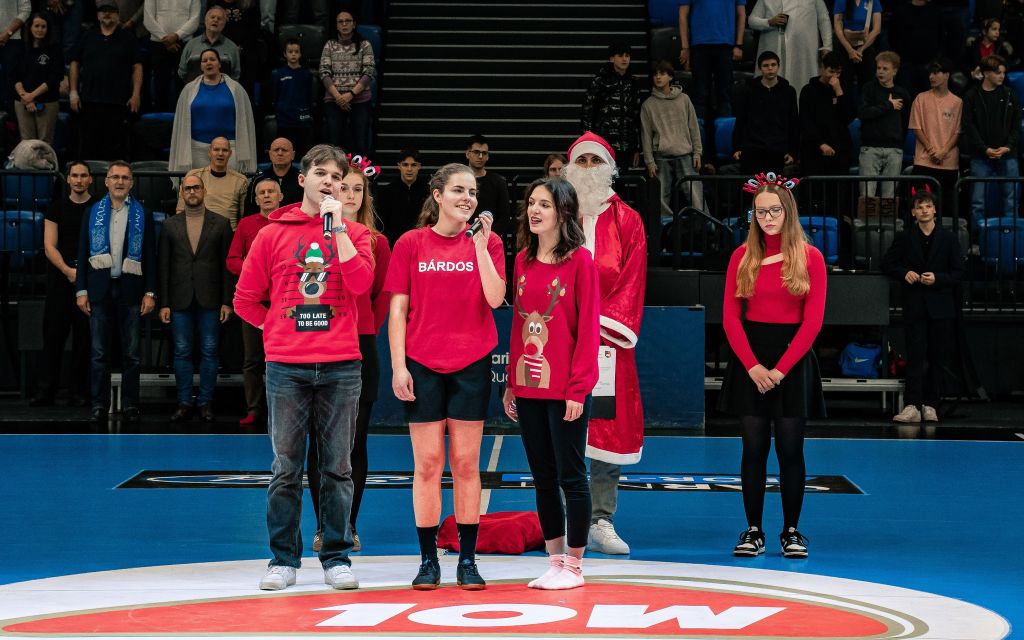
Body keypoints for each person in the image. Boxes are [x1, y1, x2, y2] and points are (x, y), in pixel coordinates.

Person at [234, 144, 374, 592]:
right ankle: (282, 559)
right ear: (302, 179)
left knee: (337, 468)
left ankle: (336, 556)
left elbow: (361, 285)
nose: (329, 182)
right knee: (286, 469)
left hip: (341, 366)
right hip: (287, 367)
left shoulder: (356, 234)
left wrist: (339, 230)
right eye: (321, 174)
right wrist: (276, 326)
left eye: (337, 177)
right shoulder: (271, 235)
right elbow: (244, 299)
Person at [384, 163, 505, 590]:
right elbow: (397, 310)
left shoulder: (489, 243)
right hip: (421, 363)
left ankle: (467, 560)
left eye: (472, 192)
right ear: (437, 195)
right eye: (458, 190)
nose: (467, 198)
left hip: (472, 362)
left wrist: (480, 247)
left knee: (467, 464)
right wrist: (399, 365)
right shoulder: (410, 243)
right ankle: (427, 560)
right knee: (428, 464)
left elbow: (496, 298)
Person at [718, 174, 826, 559]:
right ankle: (753, 531)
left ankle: (792, 531)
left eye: (774, 211)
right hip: (751, 359)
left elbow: (813, 322)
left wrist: (779, 370)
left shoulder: (811, 258)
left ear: (788, 211)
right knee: (753, 450)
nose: (767, 218)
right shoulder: (741, 257)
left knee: (791, 450)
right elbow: (731, 318)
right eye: (760, 212)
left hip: (791, 361)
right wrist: (752, 367)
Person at [502, 177, 600, 590]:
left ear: (563, 211)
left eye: (544, 204)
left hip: (566, 390)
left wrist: (579, 387)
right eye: (531, 203)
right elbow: (517, 325)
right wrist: (512, 381)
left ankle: (574, 567)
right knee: (541, 477)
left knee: (571, 477)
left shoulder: (581, 262)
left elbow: (588, 330)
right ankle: (554, 560)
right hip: (528, 388)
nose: (534, 210)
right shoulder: (523, 260)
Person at [562, 132, 647, 556]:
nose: (589, 168)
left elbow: (633, 279)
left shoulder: (628, 220)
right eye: (583, 161)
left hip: (608, 343)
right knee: (559, 427)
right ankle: (563, 517)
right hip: (559, 339)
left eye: (596, 161)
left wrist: (598, 325)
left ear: (609, 168)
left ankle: (600, 519)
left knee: (606, 429)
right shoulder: (556, 215)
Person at [307, 158, 392, 554]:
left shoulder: (377, 242)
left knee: (354, 443)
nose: (352, 195)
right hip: (317, 345)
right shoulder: (312, 237)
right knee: (319, 445)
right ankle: (323, 526)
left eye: (359, 189)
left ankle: (348, 524)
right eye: (345, 187)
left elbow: (382, 297)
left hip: (359, 347)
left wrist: (359, 325)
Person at [75, 162, 157, 424]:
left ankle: (131, 405)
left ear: (131, 183)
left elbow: (150, 256)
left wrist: (150, 292)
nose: (120, 182)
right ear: (106, 181)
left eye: (125, 178)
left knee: (131, 354)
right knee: (99, 353)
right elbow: (82, 252)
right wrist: (81, 290)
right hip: (99, 289)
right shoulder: (92, 213)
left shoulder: (143, 214)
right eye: (115, 177)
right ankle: (99, 405)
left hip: (131, 289)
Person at [882, 190, 964, 423]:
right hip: (915, 304)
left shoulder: (949, 238)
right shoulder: (904, 237)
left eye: (928, 206)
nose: (924, 210)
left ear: (935, 210)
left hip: (941, 306)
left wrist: (938, 278)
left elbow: (959, 272)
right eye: (920, 207)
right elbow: (887, 264)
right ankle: (912, 405)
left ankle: (931, 405)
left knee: (938, 357)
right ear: (913, 212)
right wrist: (904, 273)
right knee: (915, 356)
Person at [158, 175, 234, 423]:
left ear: (204, 191)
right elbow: (163, 266)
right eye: (188, 188)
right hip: (179, 299)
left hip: (211, 298)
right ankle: (183, 402)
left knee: (210, 351)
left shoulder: (221, 224)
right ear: (182, 192)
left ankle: (205, 403)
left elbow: (227, 267)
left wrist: (227, 301)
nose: (192, 192)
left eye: (196, 188)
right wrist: (164, 303)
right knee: (181, 351)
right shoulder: (169, 225)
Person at [31, 161, 94, 407]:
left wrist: (82, 273)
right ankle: (45, 390)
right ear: (68, 179)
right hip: (60, 279)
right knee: (53, 336)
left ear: (90, 179)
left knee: (84, 338)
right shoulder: (56, 208)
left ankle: (78, 392)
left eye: (83, 175)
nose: (79, 180)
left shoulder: (98, 208)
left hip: (89, 279)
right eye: (74, 175)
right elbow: (49, 246)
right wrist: (68, 271)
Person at [227, 178, 282, 426]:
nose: (267, 195)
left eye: (271, 191)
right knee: (253, 359)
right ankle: (254, 409)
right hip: (254, 303)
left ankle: (279, 410)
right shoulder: (246, 224)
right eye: (262, 192)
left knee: (281, 359)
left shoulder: (289, 222)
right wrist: (254, 271)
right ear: (256, 199)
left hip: (284, 303)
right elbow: (232, 260)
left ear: (281, 196)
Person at [68, 2, 142, 161]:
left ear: (118, 15)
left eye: (111, 11)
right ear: (97, 15)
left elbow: (137, 67)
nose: (107, 14)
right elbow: (74, 62)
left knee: (116, 151)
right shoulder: (87, 36)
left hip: (119, 103)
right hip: (89, 101)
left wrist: (136, 95)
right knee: (89, 148)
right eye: (103, 11)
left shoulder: (128, 38)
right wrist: (73, 92)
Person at [169, 49, 257, 175]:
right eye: (204, 60)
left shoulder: (236, 89)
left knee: (229, 186)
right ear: (201, 66)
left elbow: (246, 121)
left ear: (219, 63)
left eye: (212, 59)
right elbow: (180, 123)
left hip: (229, 149)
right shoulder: (188, 90)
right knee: (199, 186)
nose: (208, 63)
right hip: (197, 149)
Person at [641, 60, 704, 215]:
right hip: (661, 156)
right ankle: (666, 227)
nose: (658, 77)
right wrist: (649, 161)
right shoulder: (648, 105)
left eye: (662, 74)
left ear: (670, 77)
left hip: (685, 153)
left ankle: (704, 225)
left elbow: (694, 127)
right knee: (660, 199)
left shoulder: (684, 99)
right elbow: (646, 136)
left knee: (696, 195)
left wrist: (697, 153)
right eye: (655, 74)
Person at [963, 55, 1020, 222]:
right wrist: (984, 149)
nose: (1002, 76)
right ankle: (977, 237)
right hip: (980, 156)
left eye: (1003, 72)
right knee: (977, 202)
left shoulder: (1009, 94)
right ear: (986, 73)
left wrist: (1008, 147)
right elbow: (968, 126)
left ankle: (1011, 235)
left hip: (1007, 154)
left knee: (1011, 201)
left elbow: (1017, 125)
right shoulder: (971, 95)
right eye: (998, 72)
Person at [909, 59, 962, 219]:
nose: (931, 77)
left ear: (946, 75)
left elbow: (958, 132)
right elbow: (916, 127)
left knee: (946, 209)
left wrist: (943, 151)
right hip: (924, 161)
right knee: (922, 208)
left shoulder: (957, 102)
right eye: (930, 73)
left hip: (948, 163)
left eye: (936, 73)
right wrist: (931, 150)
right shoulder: (920, 98)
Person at [732, 51, 800, 176]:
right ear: (760, 68)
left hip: (779, 149)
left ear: (778, 67)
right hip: (753, 148)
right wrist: (737, 147)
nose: (770, 68)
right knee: (751, 186)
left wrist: (793, 152)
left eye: (773, 65)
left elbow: (793, 122)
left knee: (775, 187)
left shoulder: (789, 91)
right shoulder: (748, 91)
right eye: (766, 65)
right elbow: (741, 120)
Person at [320, 10, 376, 157]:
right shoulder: (329, 45)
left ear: (354, 24)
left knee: (361, 143)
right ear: (336, 25)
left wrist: (350, 94)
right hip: (334, 100)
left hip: (360, 100)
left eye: (348, 21)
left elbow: (369, 72)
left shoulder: (364, 44)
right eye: (341, 21)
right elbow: (324, 73)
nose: (344, 24)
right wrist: (339, 97)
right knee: (334, 144)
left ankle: (361, 172)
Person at [678, 0, 747, 119]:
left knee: (725, 94)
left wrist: (739, 44)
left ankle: (724, 129)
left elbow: (742, 14)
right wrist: (685, 48)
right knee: (700, 93)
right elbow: (682, 15)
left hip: (725, 46)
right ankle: (699, 130)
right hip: (699, 46)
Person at [748, 0, 833, 95]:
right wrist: (769, 22)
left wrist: (827, 46)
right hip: (774, 48)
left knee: (803, 83)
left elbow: (824, 18)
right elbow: (752, 20)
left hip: (803, 51)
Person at [858, 51, 911, 198]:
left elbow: (906, 121)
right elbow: (863, 113)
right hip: (870, 148)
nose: (880, 71)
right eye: (878, 68)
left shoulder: (902, 93)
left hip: (894, 149)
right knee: (867, 196)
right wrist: (888, 105)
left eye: (885, 69)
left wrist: (899, 142)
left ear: (894, 71)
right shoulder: (868, 89)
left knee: (889, 197)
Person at [581, 42, 642, 168]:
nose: (624, 59)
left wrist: (636, 148)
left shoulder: (633, 83)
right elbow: (587, 112)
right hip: (603, 143)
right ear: (612, 58)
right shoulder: (599, 81)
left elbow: (636, 116)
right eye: (620, 55)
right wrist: (588, 141)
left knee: (622, 178)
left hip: (626, 145)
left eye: (627, 55)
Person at [799, 51, 856, 177]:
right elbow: (805, 121)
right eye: (831, 71)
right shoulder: (808, 90)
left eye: (838, 73)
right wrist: (820, 143)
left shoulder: (844, 89)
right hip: (814, 149)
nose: (834, 76)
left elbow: (848, 117)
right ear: (822, 68)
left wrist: (839, 91)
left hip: (839, 148)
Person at [11, 13, 63, 145]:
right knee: (26, 143)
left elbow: (55, 77)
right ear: (30, 27)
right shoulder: (20, 47)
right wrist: (25, 96)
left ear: (48, 29)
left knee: (44, 143)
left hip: (47, 101)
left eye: (43, 27)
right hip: (22, 101)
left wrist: (32, 96)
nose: (40, 29)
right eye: (37, 26)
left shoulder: (55, 49)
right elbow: (14, 75)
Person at [175, 137, 250, 229]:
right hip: (198, 231)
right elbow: (180, 211)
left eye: (225, 150)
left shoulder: (240, 181)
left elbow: (245, 217)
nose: (220, 154)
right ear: (209, 152)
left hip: (229, 233)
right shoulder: (194, 176)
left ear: (230, 154)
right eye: (216, 149)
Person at [143, 0, 199, 111]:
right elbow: (148, 19)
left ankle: (183, 117)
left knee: (183, 85)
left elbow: (195, 20)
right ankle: (160, 118)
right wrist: (164, 38)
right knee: (160, 86)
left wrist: (177, 35)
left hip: (184, 43)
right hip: (159, 43)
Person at [268, 39, 314, 158]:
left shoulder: (306, 74)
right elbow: (274, 96)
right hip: (284, 120)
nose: (293, 54)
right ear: (285, 54)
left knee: (302, 153)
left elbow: (310, 96)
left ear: (300, 54)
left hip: (302, 120)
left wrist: (308, 113)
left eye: (296, 52)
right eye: (290, 52)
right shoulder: (278, 74)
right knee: (284, 151)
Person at [375, 148, 429, 246]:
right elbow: (381, 223)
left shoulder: (428, 192)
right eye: (405, 165)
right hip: (394, 244)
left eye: (413, 165)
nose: (409, 169)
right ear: (399, 166)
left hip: (422, 243)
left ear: (419, 166)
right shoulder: (386, 192)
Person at [890, 0, 942, 97]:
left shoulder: (935, 12)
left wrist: (934, 58)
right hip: (905, 64)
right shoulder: (900, 11)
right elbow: (893, 36)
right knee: (905, 98)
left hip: (928, 64)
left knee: (929, 99)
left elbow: (940, 36)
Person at [176, 5, 240, 83]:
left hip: (222, 90)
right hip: (194, 90)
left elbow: (235, 76)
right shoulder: (191, 44)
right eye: (212, 17)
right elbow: (182, 73)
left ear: (224, 24)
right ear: (205, 21)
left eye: (219, 18)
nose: (215, 20)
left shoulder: (232, 47)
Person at [465, 134, 512, 238]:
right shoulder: (458, 180)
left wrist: (488, 236)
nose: (480, 156)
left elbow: (504, 216)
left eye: (484, 153)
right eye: (476, 152)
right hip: (461, 237)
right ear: (468, 154)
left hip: (489, 238)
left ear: (488, 156)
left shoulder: (498, 182)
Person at [832, 0, 883, 95]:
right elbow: (837, 28)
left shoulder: (873, 1)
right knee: (845, 83)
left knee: (867, 84)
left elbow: (877, 29)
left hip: (866, 47)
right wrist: (849, 50)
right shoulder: (840, 1)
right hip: (845, 46)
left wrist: (861, 49)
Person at [246, 137, 303, 213]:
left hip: (295, 219)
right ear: (270, 154)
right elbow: (249, 210)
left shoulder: (302, 179)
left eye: (284, 150)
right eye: (276, 150)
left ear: (293, 155)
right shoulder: (259, 178)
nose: (280, 153)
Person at [0, 0, 30, 112]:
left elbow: (25, 10)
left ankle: (11, 117)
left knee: (11, 81)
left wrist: (8, 33)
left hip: (12, 39)